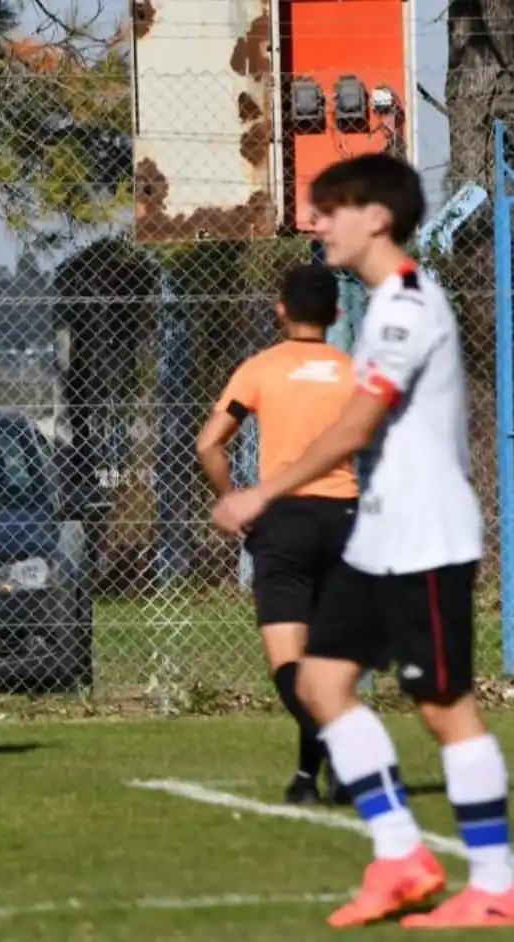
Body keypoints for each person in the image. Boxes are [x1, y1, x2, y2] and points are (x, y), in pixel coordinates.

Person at [214, 153, 514, 929]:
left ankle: (494, 883)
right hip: (376, 537)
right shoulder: (381, 308)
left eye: (330, 208)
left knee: (443, 708)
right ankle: (401, 858)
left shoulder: (407, 306)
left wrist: (262, 491)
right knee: (320, 685)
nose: (315, 222)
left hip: (424, 538)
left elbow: (356, 425)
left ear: (376, 218)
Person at [196, 263, 356, 806]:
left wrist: (234, 499)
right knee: (328, 665)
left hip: (284, 521)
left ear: (280, 309)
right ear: (336, 313)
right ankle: (310, 778)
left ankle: (340, 755)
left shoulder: (260, 369)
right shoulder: (352, 371)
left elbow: (208, 444)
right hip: (345, 520)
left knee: (290, 665)